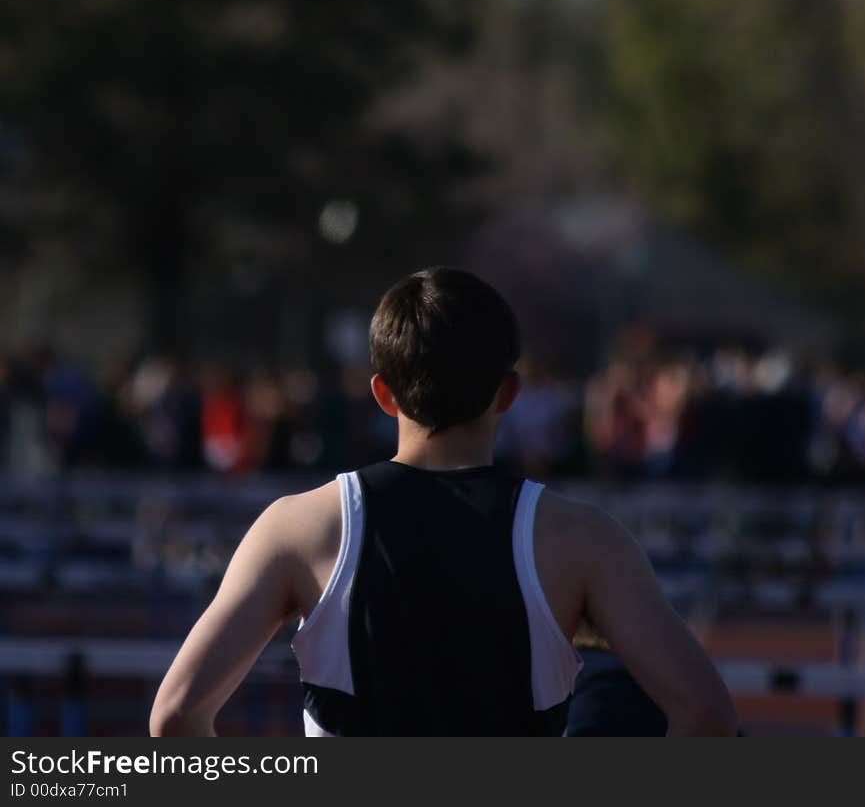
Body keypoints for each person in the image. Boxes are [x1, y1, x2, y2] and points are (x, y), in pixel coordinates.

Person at [150, 267, 737, 736]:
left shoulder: (297, 527)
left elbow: (176, 715)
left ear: (383, 393)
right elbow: (707, 715)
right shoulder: (581, 538)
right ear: (509, 393)